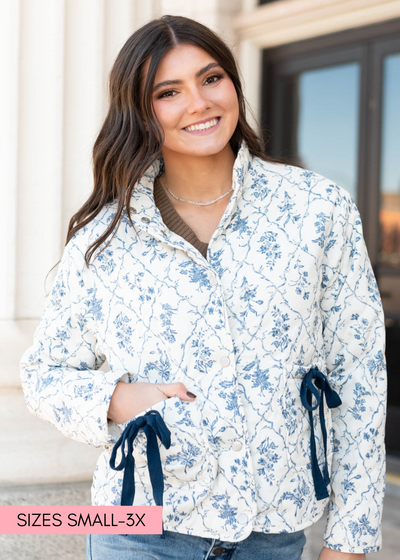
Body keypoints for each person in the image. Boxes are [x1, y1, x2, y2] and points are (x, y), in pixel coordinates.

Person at [20, 14, 387, 560]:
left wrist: (351, 537)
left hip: (273, 528)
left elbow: (358, 371)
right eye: (169, 91)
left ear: (233, 84)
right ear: (140, 112)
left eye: (211, 78)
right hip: (136, 527)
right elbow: (43, 375)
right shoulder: (105, 240)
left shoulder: (317, 209)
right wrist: (117, 398)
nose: (199, 102)